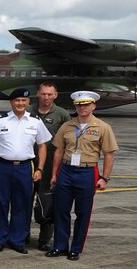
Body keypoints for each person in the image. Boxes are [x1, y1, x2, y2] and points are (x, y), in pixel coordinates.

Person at [46, 91, 118, 261]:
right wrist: (54, 174)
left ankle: (75, 248)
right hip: (66, 171)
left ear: (93, 106)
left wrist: (104, 178)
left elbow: (109, 154)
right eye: (79, 105)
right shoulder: (67, 126)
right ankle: (60, 246)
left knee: (83, 212)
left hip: (87, 172)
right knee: (61, 210)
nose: (82, 107)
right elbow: (59, 151)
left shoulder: (103, 127)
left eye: (86, 104)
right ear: (75, 106)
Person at [0, 88, 51, 254]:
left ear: (28, 102)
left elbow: (43, 145)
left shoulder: (35, 122)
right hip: (3, 167)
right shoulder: (0, 121)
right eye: (17, 101)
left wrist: (40, 169)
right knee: (1, 204)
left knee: (22, 204)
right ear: (11, 103)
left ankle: (17, 240)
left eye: (23, 101)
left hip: (24, 167)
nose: (20, 104)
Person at [29, 82, 70, 251]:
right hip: (29, 158)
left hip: (51, 160)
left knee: (47, 201)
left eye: (49, 94)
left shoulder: (62, 115)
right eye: (43, 94)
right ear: (38, 94)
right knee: (23, 199)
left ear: (55, 95)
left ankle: (44, 239)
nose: (46, 97)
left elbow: (67, 141)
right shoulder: (27, 110)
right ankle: (21, 234)